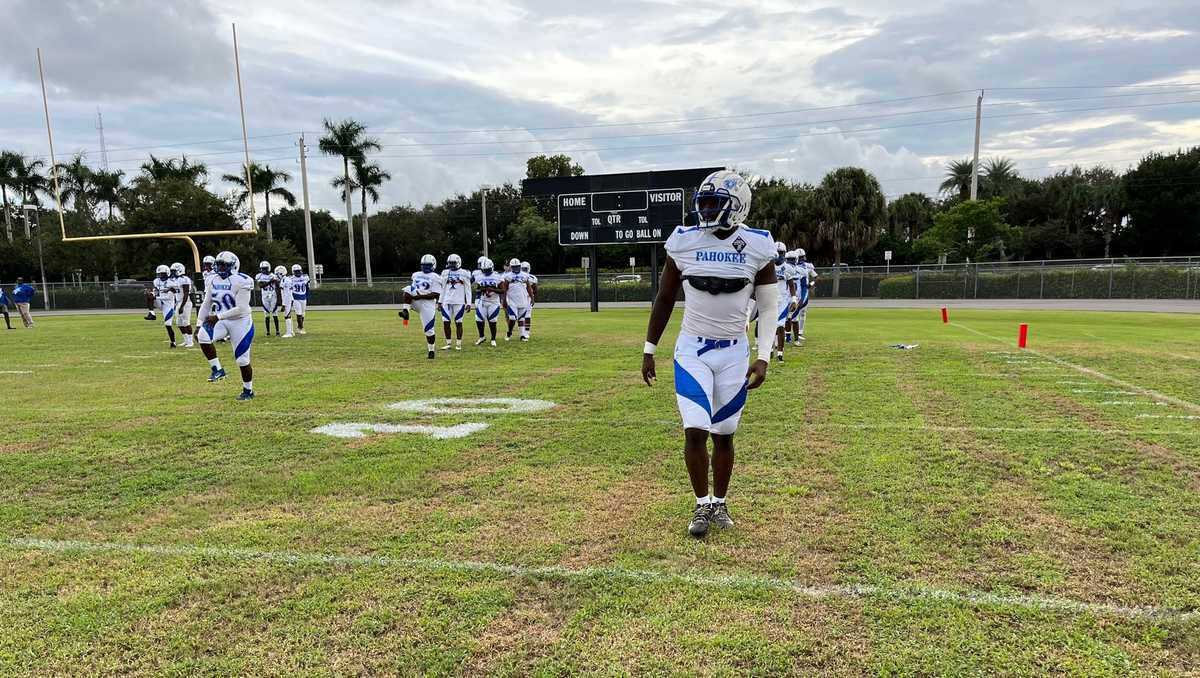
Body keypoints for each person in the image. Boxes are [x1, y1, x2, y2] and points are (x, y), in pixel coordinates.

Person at [640, 169, 776, 538]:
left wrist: (764, 356)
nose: (706, 210)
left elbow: (768, 307)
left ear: (738, 206)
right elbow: (665, 297)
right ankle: (701, 505)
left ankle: (720, 501)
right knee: (695, 430)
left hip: (734, 351)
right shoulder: (684, 242)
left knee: (725, 435)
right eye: (703, 202)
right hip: (692, 349)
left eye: (715, 203)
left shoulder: (758, 245)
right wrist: (649, 348)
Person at [197, 251, 256, 400]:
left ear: (234, 266)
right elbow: (206, 303)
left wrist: (217, 316)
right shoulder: (212, 280)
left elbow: (241, 308)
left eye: (224, 265)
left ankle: (248, 390)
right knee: (202, 336)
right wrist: (199, 323)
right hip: (221, 320)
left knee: (242, 360)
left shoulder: (243, 280)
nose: (221, 268)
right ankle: (217, 369)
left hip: (241, 321)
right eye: (219, 265)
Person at [398, 254, 443, 359]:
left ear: (433, 265)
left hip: (428, 304)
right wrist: (417, 296)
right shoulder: (416, 274)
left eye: (428, 265)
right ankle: (406, 311)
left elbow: (436, 294)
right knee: (408, 289)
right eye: (423, 265)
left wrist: (421, 296)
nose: (425, 267)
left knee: (429, 330)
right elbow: (413, 289)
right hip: (416, 299)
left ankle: (431, 350)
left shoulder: (436, 277)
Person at [770, 242, 798, 363]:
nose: (778, 255)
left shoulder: (788, 268)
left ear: (784, 254)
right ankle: (769, 349)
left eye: (781, 253)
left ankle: (780, 353)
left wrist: (794, 299)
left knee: (780, 326)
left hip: (782, 301)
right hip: (769, 299)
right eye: (777, 252)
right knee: (769, 326)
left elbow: (791, 286)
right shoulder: (767, 266)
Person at [438, 253, 473, 351]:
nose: (451, 265)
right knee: (446, 322)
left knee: (458, 322)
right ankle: (448, 343)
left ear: (458, 262)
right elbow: (443, 288)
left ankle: (458, 344)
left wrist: (469, 303)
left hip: (459, 302)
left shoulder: (464, 273)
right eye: (450, 263)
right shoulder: (445, 272)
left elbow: (468, 289)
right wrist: (440, 302)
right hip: (446, 301)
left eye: (453, 263)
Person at [501, 257, 533, 342]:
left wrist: (532, 298)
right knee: (512, 318)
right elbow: (505, 289)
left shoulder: (525, 275)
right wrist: (504, 300)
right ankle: (509, 332)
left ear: (520, 266)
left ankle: (522, 335)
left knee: (521, 319)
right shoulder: (507, 276)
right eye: (514, 267)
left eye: (517, 266)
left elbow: (529, 288)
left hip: (523, 300)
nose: (516, 268)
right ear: (511, 267)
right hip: (512, 300)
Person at [473, 257, 503, 346]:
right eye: (484, 270)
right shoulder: (479, 276)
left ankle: (493, 339)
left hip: (493, 302)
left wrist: (493, 289)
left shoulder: (497, 276)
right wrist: (482, 289)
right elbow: (476, 289)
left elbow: (503, 290)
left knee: (492, 320)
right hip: (483, 301)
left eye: (488, 269)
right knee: (478, 319)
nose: (486, 271)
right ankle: (481, 336)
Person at [170, 263, 196, 348]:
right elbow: (178, 292)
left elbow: (186, 294)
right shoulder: (176, 280)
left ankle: (190, 341)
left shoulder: (184, 279)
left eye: (174, 271)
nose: (172, 273)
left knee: (186, 322)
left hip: (185, 302)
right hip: (179, 302)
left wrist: (182, 306)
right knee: (179, 323)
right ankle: (186, 340)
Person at [152, 265, 178, 347]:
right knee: (149, 295)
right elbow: (155, 291)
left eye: (162, 274)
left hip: (168, 305)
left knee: (168, 324)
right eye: (159, 274)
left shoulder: (172, 283)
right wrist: (153, 294)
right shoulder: (156, 281)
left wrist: (156, 297)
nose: (161, 276)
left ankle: (173, 342)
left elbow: (169, 297)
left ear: (167, 273)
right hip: (160, 303)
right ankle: (151, 313)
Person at [255, 261, 282, 337]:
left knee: (275, 313)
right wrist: (271, 281)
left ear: (268, 268)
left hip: (273, 295)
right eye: (262, 269)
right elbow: (261, 286)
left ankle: (277, 331)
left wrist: (276, 281)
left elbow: (277, 287)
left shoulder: (273, 275)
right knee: (266, 314)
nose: (263, 270)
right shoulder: (259, 276)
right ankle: (268, 332)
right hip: (265, 296)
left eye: (265, 269)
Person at [286, 264, 309, 335]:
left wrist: (307, 295)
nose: (298, 272)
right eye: (297, 271)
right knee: (298, 313)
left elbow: (307, 287)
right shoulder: (290, 279)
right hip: (296, 298)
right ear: (293, 272)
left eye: (299, 271)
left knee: (303, 313)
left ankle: (299, 327)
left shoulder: (305, 277)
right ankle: (301, 328)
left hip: (303, 297)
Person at [520, 261, 539, 340]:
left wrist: (532, 297)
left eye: (525, 269)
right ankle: (522, 332)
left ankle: (526, 332)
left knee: (527, 315)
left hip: (528, 298)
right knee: (520, 316)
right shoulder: (518, 277)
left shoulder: (532, 278)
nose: (524, 270)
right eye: (523, 268)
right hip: (520, 298)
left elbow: (535, 289)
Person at [276, 266, 295, 337]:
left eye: (277, 274)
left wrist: (284, 304)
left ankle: (289, 333)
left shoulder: (285, 280)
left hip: (288, 299)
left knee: (287, 316)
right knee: (288, 316)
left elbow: (286, 293)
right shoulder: (286, 279)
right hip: (289, 299)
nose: (277, 276)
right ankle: (291, 331)